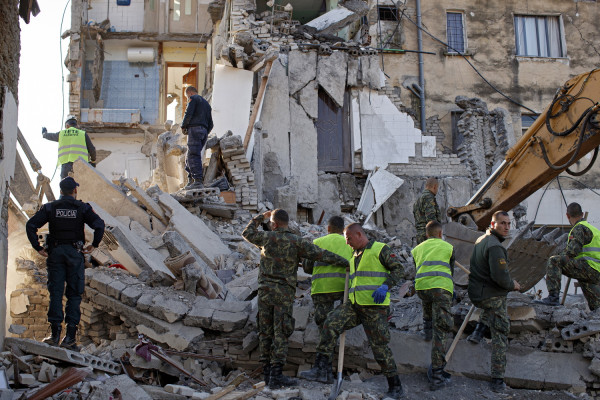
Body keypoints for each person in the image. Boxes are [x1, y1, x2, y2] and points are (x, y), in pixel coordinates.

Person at [242, 209, 349, 389]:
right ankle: (277, 375)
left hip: (265, 292)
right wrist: (345, 263)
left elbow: (247, 233)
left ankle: (267, 373)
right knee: (281, 332)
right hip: (283, 293)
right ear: (287, 223)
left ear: (274, 224)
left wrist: (261, 217)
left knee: (265, 330)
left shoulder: (266, 238)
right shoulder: (296, 241)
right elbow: (323, 255)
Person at [300, 223, 405, 399]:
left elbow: (399, 269)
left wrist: (385, 286)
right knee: (330, 323)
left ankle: (395, 387)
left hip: (374, 308)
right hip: (355, 305)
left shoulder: (380, 249)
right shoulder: (355, 254)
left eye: (348, 238)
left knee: (380, 348)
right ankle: (320, 368)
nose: (347, 242)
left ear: (359, 234)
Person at [25, 177, 105, 351]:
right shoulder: (82, 208)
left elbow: (31, 225)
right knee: (74, 295)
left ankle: (54, 336)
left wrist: (37, 247)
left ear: (60, 191)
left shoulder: (50, 207)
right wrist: (94, 245)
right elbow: (99, 225)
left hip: (55, 253)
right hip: (75, 254)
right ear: (75, 191)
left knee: (55, 293)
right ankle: (69, 338)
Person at [467, 211, 521, 392]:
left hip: (477, 293)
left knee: (493, 303)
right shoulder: (495, 247)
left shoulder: (481, 239)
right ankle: (497, 379)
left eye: (508, 224)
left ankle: (478, 330)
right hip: (489, 295)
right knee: (500, 332)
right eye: (502, 223)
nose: (506, 227)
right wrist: (512, 284)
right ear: (493, 223)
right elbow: (501, 278)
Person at [411, 221, 455, 391]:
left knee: (428, 301)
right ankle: (437, 375)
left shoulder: (417, 249)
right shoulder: (448, 247)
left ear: (427, 234)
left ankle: (426, 330)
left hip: (421, 288)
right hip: (441, 288)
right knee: (442, 329)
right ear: (440, 233)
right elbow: (450, 271)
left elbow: (417, 269)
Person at [536, 202, 600, 310]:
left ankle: (553, 298)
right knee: (597, 308)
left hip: (588, 268)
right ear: (582, 214)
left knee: (554, 261)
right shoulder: (594, 230)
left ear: (567, 216)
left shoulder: (579, 228)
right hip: (595, 272)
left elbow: (572, 252)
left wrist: (559, 256)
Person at [303, 216, 353, 331]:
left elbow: (307, 267)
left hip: (321, 289)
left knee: (323, 324)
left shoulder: (316, 242)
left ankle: (325, 345)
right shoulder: (349, 244)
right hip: (342, 288)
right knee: (340, 321)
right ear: (343, 229)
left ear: (328, 228)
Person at [181, 86, 213, 190]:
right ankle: (191, 180)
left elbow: (188, 113)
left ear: (189, 93)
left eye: (187, 97)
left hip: (194, 129)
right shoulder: (207, 105)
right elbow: (211, 124)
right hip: (203, 131)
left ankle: (198, 181)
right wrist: (204, 132)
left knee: (193, 155)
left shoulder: (193, 99)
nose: (187, 98)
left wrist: (183, 126)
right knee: (190, 155)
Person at [413, 177, 442, 245]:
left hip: (420, 236)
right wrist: (436, 235)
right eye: (437, 188)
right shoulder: (428, 197)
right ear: (435, 187)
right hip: (429, 237)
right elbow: (431, 219)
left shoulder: (418, 200)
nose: (437, 190)